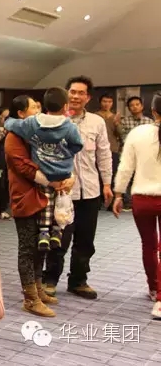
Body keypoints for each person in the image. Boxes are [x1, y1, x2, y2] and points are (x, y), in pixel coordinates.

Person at [43, 76, 113, 300]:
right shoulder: (53, 120)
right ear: (66, 94)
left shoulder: (96, 122)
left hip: (90, 191)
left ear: (88, 97)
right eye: (72, 92)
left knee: (85, 240)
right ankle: (49, 279)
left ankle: (78, 281)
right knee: (59, 239)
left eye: (81, 93)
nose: (75, 96)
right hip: (63, 192)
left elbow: (104, 154)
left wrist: (107, 183)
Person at [5, 95, 74, 318]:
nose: (39, 111)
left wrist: (67, 177)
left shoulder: (41, 132)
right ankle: (30, 298)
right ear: (21, 114)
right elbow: (23, 167)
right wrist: (52, 181)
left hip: (45, 195)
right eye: (34, 107)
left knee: (40, 245)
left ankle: (37, 288)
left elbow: (61, 155)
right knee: (27, 248)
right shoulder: (14, 136)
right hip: (26, 197)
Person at [5, 87, 84, 250]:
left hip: (44, 170)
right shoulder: (69, 126)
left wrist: (7, 121)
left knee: (46, 200)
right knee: (61, 200)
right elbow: (78, 145)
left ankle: (43, 232)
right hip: (62, 172)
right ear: (65, 107)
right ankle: (57, 230)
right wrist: (66, 153)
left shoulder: (32, 124)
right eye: (33, 106)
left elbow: (12, 124)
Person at [113, 91, 161, 318]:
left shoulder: (138, 133)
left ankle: (153, 288)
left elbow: (125, 167)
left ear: (153, 111)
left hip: (142, 199)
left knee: (149, 245)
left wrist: (118, 194)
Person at [96, 94, 123, 209]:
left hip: (112, 149)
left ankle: (111, 203)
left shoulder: (115, 117)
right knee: (97, 176)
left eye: (109, 101)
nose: (107, 104)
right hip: (96, 150)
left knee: (112, 176)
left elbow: (121, 135)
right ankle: (97, 202)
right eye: (104, 101)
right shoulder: (95, 116)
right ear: (100, 102)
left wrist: (117, 124)